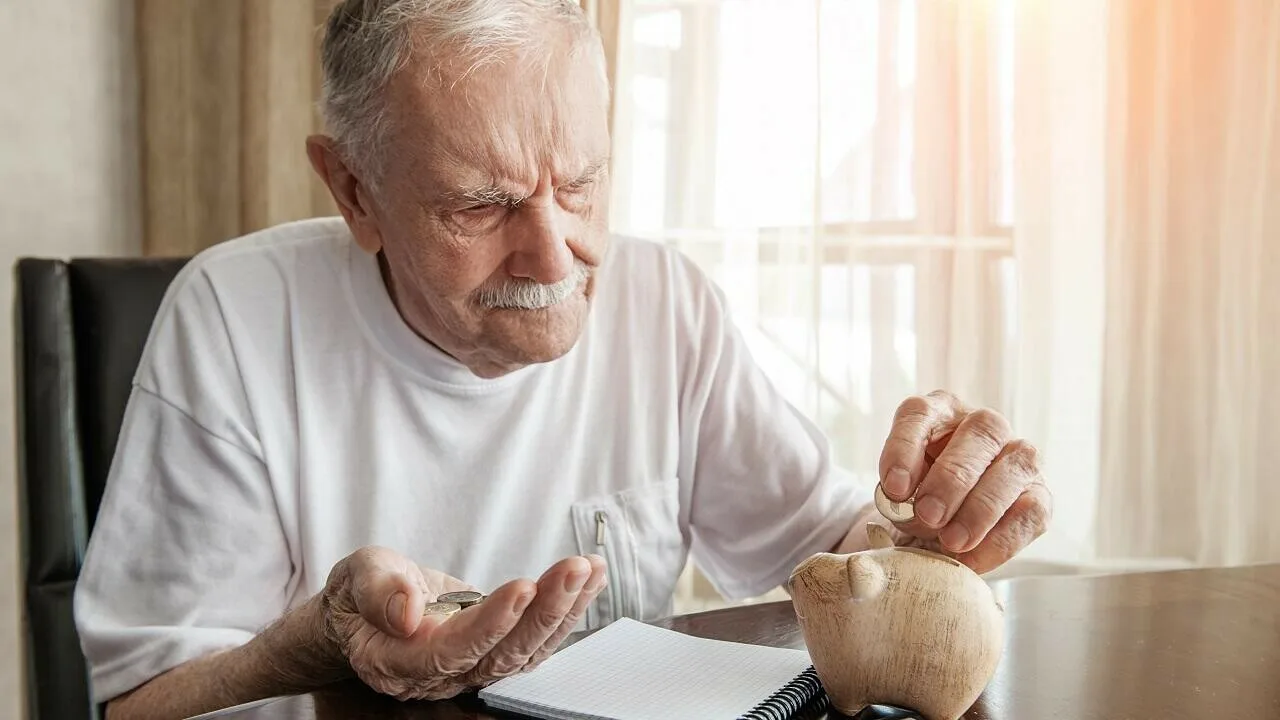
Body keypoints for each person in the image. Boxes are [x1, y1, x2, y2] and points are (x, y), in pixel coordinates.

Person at [73, 1, 1052, 718]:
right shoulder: (234, 321)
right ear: (353, 192)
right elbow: (140, 702)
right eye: (480, 205)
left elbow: (839, 559)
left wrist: (936, 523)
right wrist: (315, 650)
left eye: (580, 183)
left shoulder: (664, 300)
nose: (556, 259)